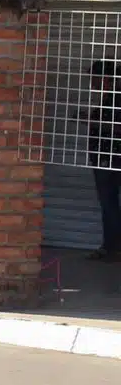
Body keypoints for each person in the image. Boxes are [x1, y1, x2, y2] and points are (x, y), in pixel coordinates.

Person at [85, 59, 121, 261]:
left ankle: (111, 247)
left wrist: (93, 121)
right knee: (108, 206)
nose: (91, 82)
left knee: (109, 205)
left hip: (112, 159)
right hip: (103, 158)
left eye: (94, 78)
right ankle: (110, 246)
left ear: (105, 78)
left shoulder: (116, 99)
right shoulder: (108, 99)